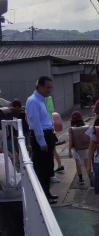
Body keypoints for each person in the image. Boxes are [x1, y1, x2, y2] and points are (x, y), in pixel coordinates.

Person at [25, 76, 58, 204]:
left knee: (48, 166)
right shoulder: (33, 101)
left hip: (47, 134)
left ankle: (47, 193)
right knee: (42, 168)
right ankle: (43, 196)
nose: (50, 90)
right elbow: (35, 122)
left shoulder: (41, 100)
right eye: (47, 87)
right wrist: (42, 141)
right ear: (39, 86)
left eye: (51, 87)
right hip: (41, 137)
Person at [69, 111, 90, 185]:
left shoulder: (71, 129)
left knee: (77, 163)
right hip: (85, 147)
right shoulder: (86, 127)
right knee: (87, 163)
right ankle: (91, 180)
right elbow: (89, 138)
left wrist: (69, 151)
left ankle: (81, 180)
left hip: (76, 148)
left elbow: (70, 140)